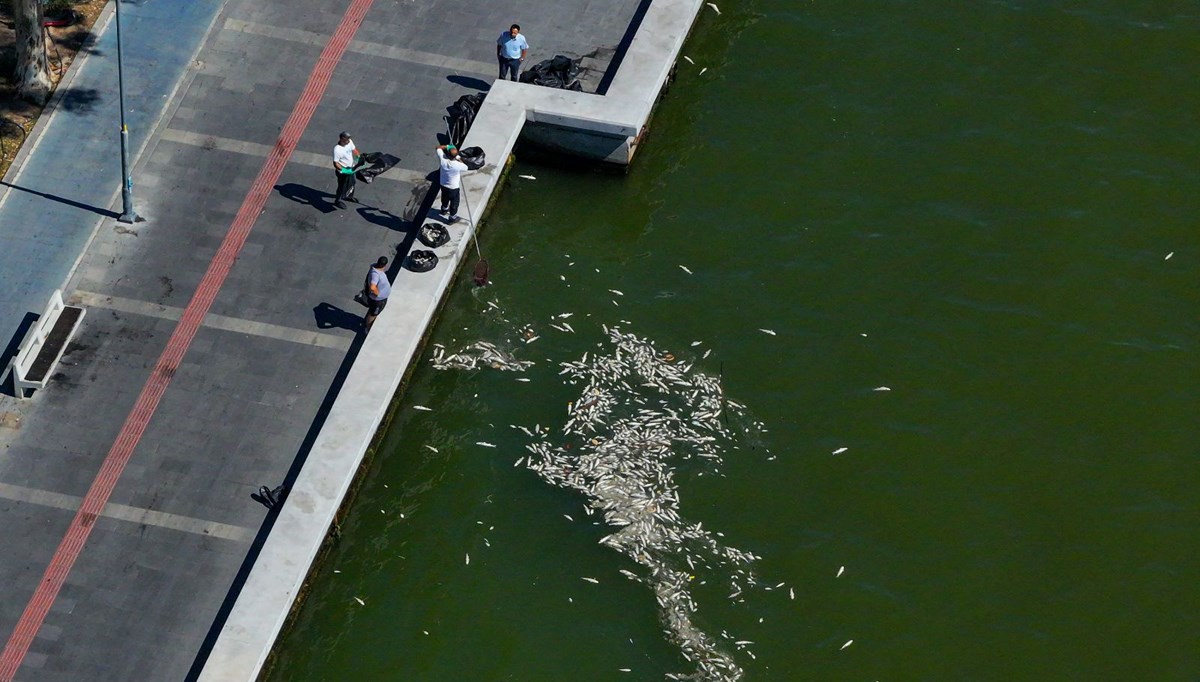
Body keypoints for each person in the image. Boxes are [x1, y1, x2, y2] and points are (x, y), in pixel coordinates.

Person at [436, 144, 470, 223]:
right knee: (454, 202)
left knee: (444, 197)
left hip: (443, 184)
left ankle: (444, 209)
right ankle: (452, 218)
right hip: (453, 188)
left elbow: (438, 148)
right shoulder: (457, 165)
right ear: (455, 156)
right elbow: (466, 167)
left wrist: (448, 146)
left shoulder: (443, 160)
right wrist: (459, 158)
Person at [333, 131, 360, 209]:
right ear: (342, 139)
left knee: (352, 182)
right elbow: (336, 163)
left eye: (349, 139)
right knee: (342, 186)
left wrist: (358, 156)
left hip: (351, 168)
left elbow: (354, 149)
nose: (349, 141)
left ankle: (349, 196)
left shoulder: (349, 142)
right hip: (343, 172)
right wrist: (345, 170)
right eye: (347, 140)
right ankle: (337, 201)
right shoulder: (337, 149)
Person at [363, 256, 391, 331]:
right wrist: (377, 294)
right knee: (373, 314)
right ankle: (367, 328)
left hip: (380, 299)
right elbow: (372, 287)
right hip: (377, 300)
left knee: (374, 312)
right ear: (385, 265)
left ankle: (369, 323)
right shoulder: (375, 274)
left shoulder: (376, 269)